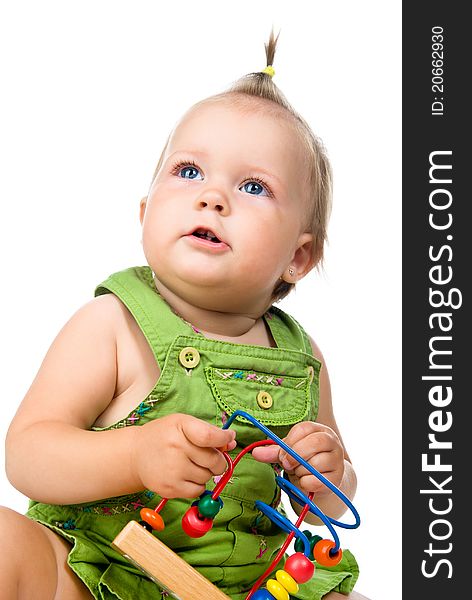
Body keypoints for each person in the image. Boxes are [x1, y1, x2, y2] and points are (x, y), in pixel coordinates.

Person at [1, 31, 367, 600]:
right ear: (146, 212)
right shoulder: (112, 325)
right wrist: (133, 455)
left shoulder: (301, 358)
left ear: (298, 257)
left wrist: (328, 476)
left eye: (252, 186)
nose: (213, 198)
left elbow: (327, 509)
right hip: (97, 567)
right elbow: (27, 455)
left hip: (250, 587)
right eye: (190, 172)